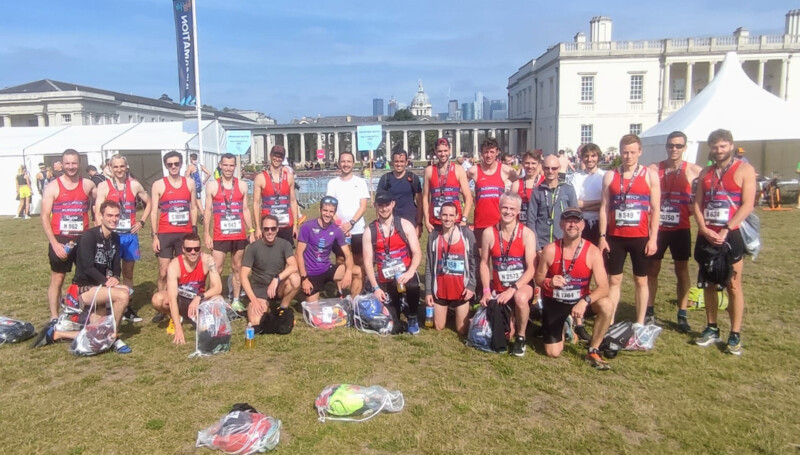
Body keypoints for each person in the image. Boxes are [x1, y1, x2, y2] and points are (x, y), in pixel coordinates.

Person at [32, 200, 132, 354]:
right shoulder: (88, 237)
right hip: (82, 289)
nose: (114, 219)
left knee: (98, 330)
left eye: (117, 215)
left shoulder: (115, 238)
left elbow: (116, 263)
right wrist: (106, 281)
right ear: (100, 216)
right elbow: (87, 268)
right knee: (122, 295)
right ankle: (114, 336)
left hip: (100, 288)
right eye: (109, 215)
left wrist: (116, 277)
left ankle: (57, 334)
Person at [692, 129, 756, 356]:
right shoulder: (706, 172)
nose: (719, 150)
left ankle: (735, 333)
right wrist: (702, 227)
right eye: (715, 146)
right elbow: (697, 204)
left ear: (731, 146)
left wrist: (727, 228)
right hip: (707, 234)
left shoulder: (745, 170)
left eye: (723, 146)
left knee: (733, 284)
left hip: (731, 235)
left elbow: (748, 204)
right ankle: (712, 327)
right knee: (708, 282)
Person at [534, 208, 614, 370]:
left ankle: (593, 350)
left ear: (583, 225)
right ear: (561, 224)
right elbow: (538, 278)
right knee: (553, 353)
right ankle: (566, 324)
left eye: (576, 221)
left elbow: (604, 287)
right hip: (555, 302)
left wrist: (585, 301)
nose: (572, 225)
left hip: (579, 302)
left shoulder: (592, 251)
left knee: (606, 305)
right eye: (568, 221)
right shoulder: (550, 249)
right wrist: (549, 282)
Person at [599, 134, 660, 325]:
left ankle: (640, 322)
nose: (628, 156)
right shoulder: (611, 175)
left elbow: (656, 209)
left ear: (640, 152)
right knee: (614, 280)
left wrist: (653, 239)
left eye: (633, 152)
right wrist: (602, 236)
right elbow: (604, 207)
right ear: (620, 152)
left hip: (640, 236)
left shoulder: (650, 175)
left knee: (641, 280)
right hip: (615, 237)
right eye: (625, 152)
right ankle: (610, 321)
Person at [646, 131, 702, 333]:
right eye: (671, 145)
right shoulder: (654, 169)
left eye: (679, 146)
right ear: (666, 147)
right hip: (658, 228)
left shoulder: (694, 170)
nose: (674, 149)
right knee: (652, 269)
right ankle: (649, 310)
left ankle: (682, 313)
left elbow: (704, 196)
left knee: (682, 270)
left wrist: (693, 210)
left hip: (681, 228)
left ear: (685, 147)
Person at [94, 154, 153, 323]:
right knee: (109, 272)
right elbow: (98, 211)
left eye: (122, 166)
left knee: (128, 273)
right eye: (115, 167)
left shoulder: (134, 184)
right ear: (110, 168)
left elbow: (149, 202)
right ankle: (108, 305)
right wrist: (101, 233)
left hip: (129, 235)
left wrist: (142, 222)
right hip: (112, 236)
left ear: (126, 167)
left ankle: (127, 307)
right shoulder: (104, 186)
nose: (119, 170)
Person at [40, 149, 96, 321]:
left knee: (87, 277)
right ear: (62, 165)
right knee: (58, 278)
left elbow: (100, 201)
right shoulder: (53, 186)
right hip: (61, 239)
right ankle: (54, 316)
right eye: (67, 163)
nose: (71, 167)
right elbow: (44, 216)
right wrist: (54, 243)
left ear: (79, 164)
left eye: (74, 163)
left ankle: (86, 313)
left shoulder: (88, 185)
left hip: (83, 239)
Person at [479, 192, 537, 357]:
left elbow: (531, 269)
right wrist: (486, 291)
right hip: (499, 287)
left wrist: (513, 289)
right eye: (505, 207)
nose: (508, 212)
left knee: (520, 298)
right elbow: (484, 263)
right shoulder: (489, 233)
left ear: (518, 211)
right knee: (503, 335)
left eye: (512, 209)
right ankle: (512, 319)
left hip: (521, 285)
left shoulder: (527, 234)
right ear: (499, 208)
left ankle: (521, 338)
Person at [361, 191, 423, 334]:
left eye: (387, 205)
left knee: (413, 285)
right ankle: (399, 305)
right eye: (380, 205)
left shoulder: (405, 225)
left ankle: (412, 316)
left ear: (393, 204)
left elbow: (417, 253)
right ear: (375, 205)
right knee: (394, 329)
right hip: (385, 280)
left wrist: (410, 272)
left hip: (404, 274)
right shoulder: (370, 231)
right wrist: (376, 287)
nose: (384, 208)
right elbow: (368, 262)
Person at [204, 153, 254, 313]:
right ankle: (212, 299)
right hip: (220, 235)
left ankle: (236, 300)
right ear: (220, 165)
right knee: (216, 268)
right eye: (225, 165)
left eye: (231, 165)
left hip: (239, 235)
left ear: (235, 167)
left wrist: (251, 230)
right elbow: (208, 211)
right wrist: (206, 234)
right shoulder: (212, 186)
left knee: (237, 268)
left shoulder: (242, 185)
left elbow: (245, 209)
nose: (228, 168)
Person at [151, 233, 223, 343]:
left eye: (196, 249)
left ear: (200, 249)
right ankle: (175, 318)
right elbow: (172, 298)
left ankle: (205, 320)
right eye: (189, 249)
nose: (193, 252)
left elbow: (218, 287)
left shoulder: (207, 260)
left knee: (219, 300)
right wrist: (178, 328)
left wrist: (199, 297)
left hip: (199, 301)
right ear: (183, 250)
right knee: (157, 299)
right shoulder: (175, 265)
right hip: (180, 300)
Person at [150, 151, 198, 304]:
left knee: (183, 270)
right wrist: (154, 236)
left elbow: (193, 207)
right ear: (166, 165)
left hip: (184, 233)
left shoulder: (189, 183)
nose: (173, 166)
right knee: (164, 272)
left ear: (181, 164)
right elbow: (153, 211)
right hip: (165, 233)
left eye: (176, 163)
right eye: (170, 164)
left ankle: (182, 302)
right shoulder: (158, 184)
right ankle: (162, 302)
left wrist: (194, 229)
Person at [424, 202, 479, 335]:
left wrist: (471, 286)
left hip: (461, 291)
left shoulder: (466, 234)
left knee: (462, 330)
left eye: (451, 215)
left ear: (457, 216)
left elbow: (474, 262)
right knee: (438, 326)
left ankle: (465, 313)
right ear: (439, 215)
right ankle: (447, 309)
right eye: (444, 215)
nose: (447, 218)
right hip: (441, 290)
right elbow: (429, 265)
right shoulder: (434, 235)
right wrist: (428, 291)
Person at [241, 215, 301, 328]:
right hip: (260, 289)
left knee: (295, 278)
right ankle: (264, 308)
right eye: (266, 229)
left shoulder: (285, 244)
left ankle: (283, 307)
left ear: (277, 229)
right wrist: (253, 300)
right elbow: (243, 276)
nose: (270, 232)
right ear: (262, 230)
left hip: (278, 286)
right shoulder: (253, 248)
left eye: (273, 228)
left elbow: (294, 266)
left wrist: (276, 279)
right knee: (256, 322)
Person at [295, 196, 354, 302]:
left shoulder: (336, 230)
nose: (328, 214)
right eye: (325, 210)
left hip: (327, 269)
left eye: (331, 212)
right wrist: (304, 279)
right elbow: (299, 254)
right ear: (320, 210)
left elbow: (348, 254)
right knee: (314, 309)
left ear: (334, 213)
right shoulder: (307, 227)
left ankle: (355, 302)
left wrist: (349, 271)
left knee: (358, 272)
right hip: (311, 273)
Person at [325, 151, 368, 296]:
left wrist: (351, 223)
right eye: (343, 161)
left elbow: (363, 206)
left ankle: (358, 293)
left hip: (357, 229)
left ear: (353, 163)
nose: (346, 164)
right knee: (340, 259)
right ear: (339, 163)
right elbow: (329, 207)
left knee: (359, 260)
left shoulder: (360, 182)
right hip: (338, 230)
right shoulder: (333, 183)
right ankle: (341, 292)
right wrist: (340, 224)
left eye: (349, 161)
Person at [467, 138, 519, 249]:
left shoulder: (505, 170)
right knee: (482, 256)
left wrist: (511, 198)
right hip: (481, 221)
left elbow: (519, 183)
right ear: (481, 153)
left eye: (492, 152)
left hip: (500, 221)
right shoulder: (474, 170)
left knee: (499, 254)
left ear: (497, 152)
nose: (489, 155)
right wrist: (469, 197)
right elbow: (459, 183)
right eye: (486, 152)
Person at [526, 154, 578, 250]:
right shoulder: (537, 191)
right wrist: (536, 247)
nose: (550, 171)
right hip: (542, 244)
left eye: (554, 168)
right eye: (547, 168)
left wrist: (573, 243)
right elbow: (531, 221)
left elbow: (575, 219)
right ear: (542, 168)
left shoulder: (568, 189)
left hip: (563, 243)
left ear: (559, 169)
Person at [422, 138, 473, 234]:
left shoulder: (459, 170)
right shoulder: (429, 170)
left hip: (455, 220)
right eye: (440, 151)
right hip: (435, 221)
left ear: (450, 150)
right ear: (435, 151)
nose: (443, 154)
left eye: (445, 151)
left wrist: (464, 219)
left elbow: (468, 197)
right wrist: (426, 220)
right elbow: (425, 198)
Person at [254, 145, 299, 245]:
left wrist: (295, 225)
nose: (277, 159)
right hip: (268, 225)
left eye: (280, 157)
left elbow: (293, 201)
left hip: (286, 224)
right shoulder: (260, 178)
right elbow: (256, 203)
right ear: (270, 156)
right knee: (267, 252)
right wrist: (257, 227)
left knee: (286, 252)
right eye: (275, 155)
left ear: (283, 159)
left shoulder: (289, 177)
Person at [376, 148, 423, 235]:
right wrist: (379, 224)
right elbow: (378, 204)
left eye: (402, 161)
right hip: (390, 221)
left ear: (406, 162)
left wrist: (419, 224)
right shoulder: (385, 179)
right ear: (392, 162)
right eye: (396, 161)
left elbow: (420, 203)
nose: (399, 164)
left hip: (410, 221)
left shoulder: (413, 178)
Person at [571, 144, 606, 245]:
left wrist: (584, 206)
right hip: (582, 222)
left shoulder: (604, 176)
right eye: (586, 156)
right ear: (582, 158)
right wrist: (601, 203)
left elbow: (608, 204)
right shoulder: (576, 177)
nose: (589, 159)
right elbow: (575, 204)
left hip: (601, 223)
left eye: (593, 156)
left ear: (598, 157)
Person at [185, 152, 212, 218]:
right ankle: (197, 214)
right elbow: (209, 173)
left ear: (191, 159)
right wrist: (204, 181)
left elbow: (186, 177)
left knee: (197, 201)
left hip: (194, 186)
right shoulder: (200, 165)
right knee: (195, 201)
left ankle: (203, 215)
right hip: (199, 185)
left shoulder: (191, 166)